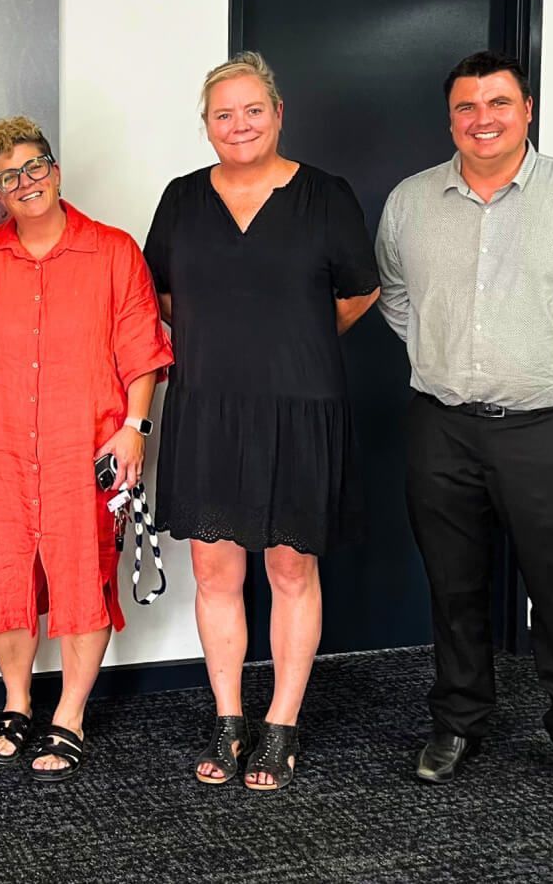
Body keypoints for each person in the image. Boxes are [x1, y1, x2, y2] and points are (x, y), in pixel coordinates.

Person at [143, 52, 380, 791]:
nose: (238, 124)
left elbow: (357, 294)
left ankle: (280, 724)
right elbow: (165, 299)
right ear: (206, 125)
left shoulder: (326, 195)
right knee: (214, 570)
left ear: (278, 115)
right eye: (223, 113)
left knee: (288, 567)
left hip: (300, 410)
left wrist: (293, 345)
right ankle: (228, 717)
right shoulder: (181, 199)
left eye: (252, 110)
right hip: (208, 407)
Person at [376, 50, 553, 785]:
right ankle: (458, 722)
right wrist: (450, 360)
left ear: (527, 110)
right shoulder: (411, 201)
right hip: (443, 427)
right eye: (466, 107)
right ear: (450, 118)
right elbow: (397, 300)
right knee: (454, 586)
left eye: (498, 103)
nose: (482, 119)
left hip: (550, 428)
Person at [0, 116, 173, 782]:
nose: (27, 182)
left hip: (88, 444)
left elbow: (141, 347)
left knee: (83, 576)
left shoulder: (112, 251)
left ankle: (69, 715)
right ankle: (18, 704)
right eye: (9, 176)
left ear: (55, 168)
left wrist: (133, 428)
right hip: (1, 452)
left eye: (35, 166)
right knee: (2, 575)